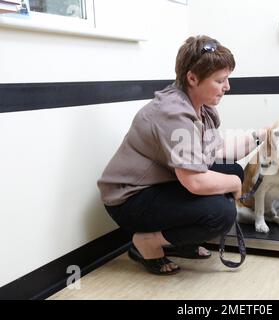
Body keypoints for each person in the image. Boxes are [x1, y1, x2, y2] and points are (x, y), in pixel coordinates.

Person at [97, 35, 267, 275]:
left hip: (159, 185)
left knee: (232, 170)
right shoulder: (172, 114)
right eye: (220, 80)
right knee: (222, 213)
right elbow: (194, 181)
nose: (227, 87)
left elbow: (218, 151)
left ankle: (178, 242)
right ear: (192, 78)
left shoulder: (198, 104)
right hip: (130, 200)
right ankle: (147, 242)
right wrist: (234, 183)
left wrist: (261, 136)